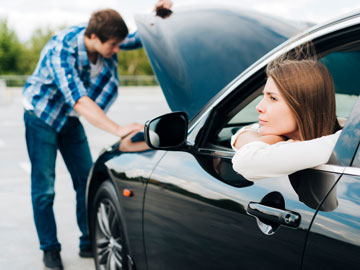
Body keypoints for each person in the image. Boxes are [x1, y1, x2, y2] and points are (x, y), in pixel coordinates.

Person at [23, 1, 173, 269]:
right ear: (93, 37)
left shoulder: (104, 37)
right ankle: (50, 248)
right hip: (41, 116)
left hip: (69, 119)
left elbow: (137, 39)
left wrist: (157, 15)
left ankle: (87, 240)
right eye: (113, 46)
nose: (117, 51)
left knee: (85, 180)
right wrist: (117, 129)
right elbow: (78, 100)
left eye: (117, 44)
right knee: (44, 189)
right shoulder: (62, 48)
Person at [231, 56, 342, 181]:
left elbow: (245, 162)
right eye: (264, 96)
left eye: (273, 98)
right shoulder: (284, 133)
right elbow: (242, 133)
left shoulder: (338, 142)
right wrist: (275, 139)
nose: (259, 107)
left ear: (304, 106)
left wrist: (267, 142)